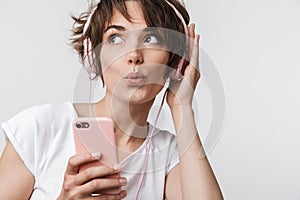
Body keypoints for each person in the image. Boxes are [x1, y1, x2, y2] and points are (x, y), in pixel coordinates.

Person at [0, 0, 223, 199]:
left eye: (150, 37)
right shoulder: (40, 128)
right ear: (92, 55)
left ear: (175, 62)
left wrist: (181, 105)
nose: (134, 55)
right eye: (116, 38)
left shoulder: (171, 153)